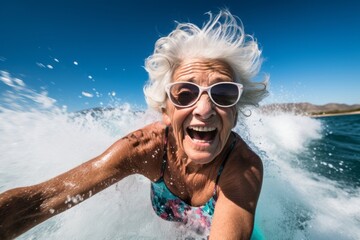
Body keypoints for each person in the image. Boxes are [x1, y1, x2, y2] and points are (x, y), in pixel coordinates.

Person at [0, 10, 268, 239]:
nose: (205, 109)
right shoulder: (145, 148)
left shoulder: (243, 168)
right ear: (165, 110)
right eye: (185, 94)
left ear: (235, 111)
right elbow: (41, 201)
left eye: (223, 94)